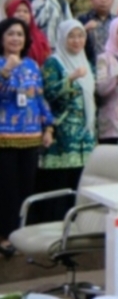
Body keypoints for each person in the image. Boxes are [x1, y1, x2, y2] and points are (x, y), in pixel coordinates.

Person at [0, 18, 53, 257]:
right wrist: (6, 71)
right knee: (6, 189)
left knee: (26, 188)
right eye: (10, 34)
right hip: (4, 137)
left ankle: (22, 234)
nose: (15, 39)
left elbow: (39, 98)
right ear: (2, 38)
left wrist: (48, 127)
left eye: (20, 34)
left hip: (31, 136)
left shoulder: (32, 65)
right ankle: (5, 236)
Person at [38, 20, 96, 222]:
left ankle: (74, 231)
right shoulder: (53, 62)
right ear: (62, 38)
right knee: (59, 187)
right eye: (71, 36)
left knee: (78, 186)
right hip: (61, 136)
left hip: (84, 137)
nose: (76, 41)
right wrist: (69, 79)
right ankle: (53, 230)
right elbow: (48, 94)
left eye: (80, 36)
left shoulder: (85, 62)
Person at [4, 0, 51, 67]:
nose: (22, 14)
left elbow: (47, 58)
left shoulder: (40, 37)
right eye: (17, 11)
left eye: (25, 11)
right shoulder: (3, 33)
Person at [77, 0, 116, 65]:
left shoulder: (116, 21)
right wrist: (84, 29)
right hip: (88, 66)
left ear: (112, 0)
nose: (103, 0)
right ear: (91, 0)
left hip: (113, 66)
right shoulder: (82, 19)